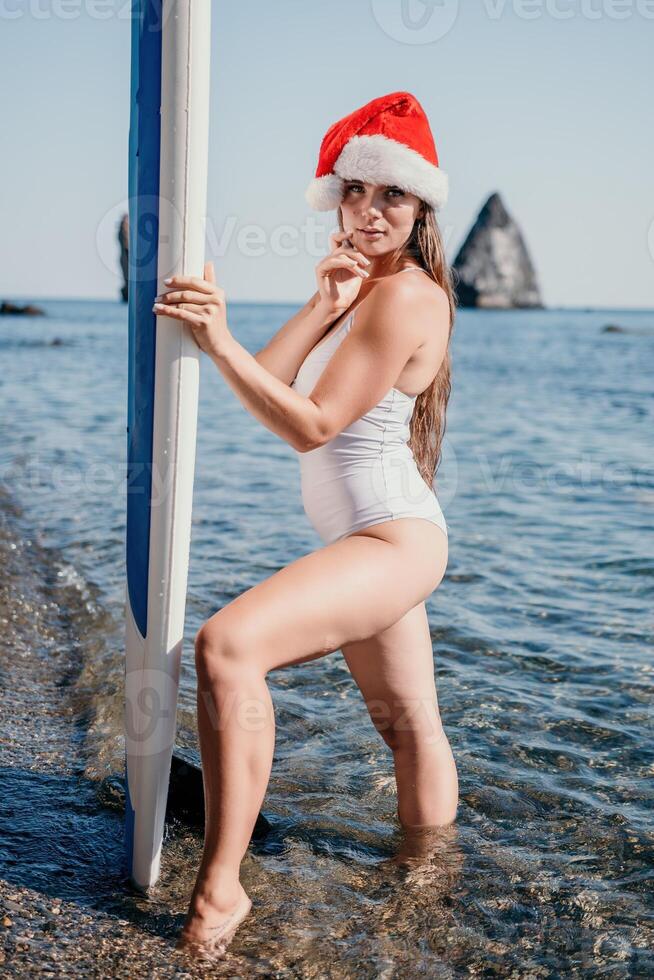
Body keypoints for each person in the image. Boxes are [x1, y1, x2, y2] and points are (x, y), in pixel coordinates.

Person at [152, 90, 458, 961]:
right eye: (355, 192)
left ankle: (222, 889)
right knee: (409, 727)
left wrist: (216, 337)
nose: (369, 210)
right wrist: (321, 305)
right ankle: (429, 886)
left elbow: (311, 426)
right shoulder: (368, 292)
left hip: (392, 537)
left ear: (420, 205)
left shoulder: (407, 298)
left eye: (389, 195)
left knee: (227, 647)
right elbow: (275, 384)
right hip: (371, 538)